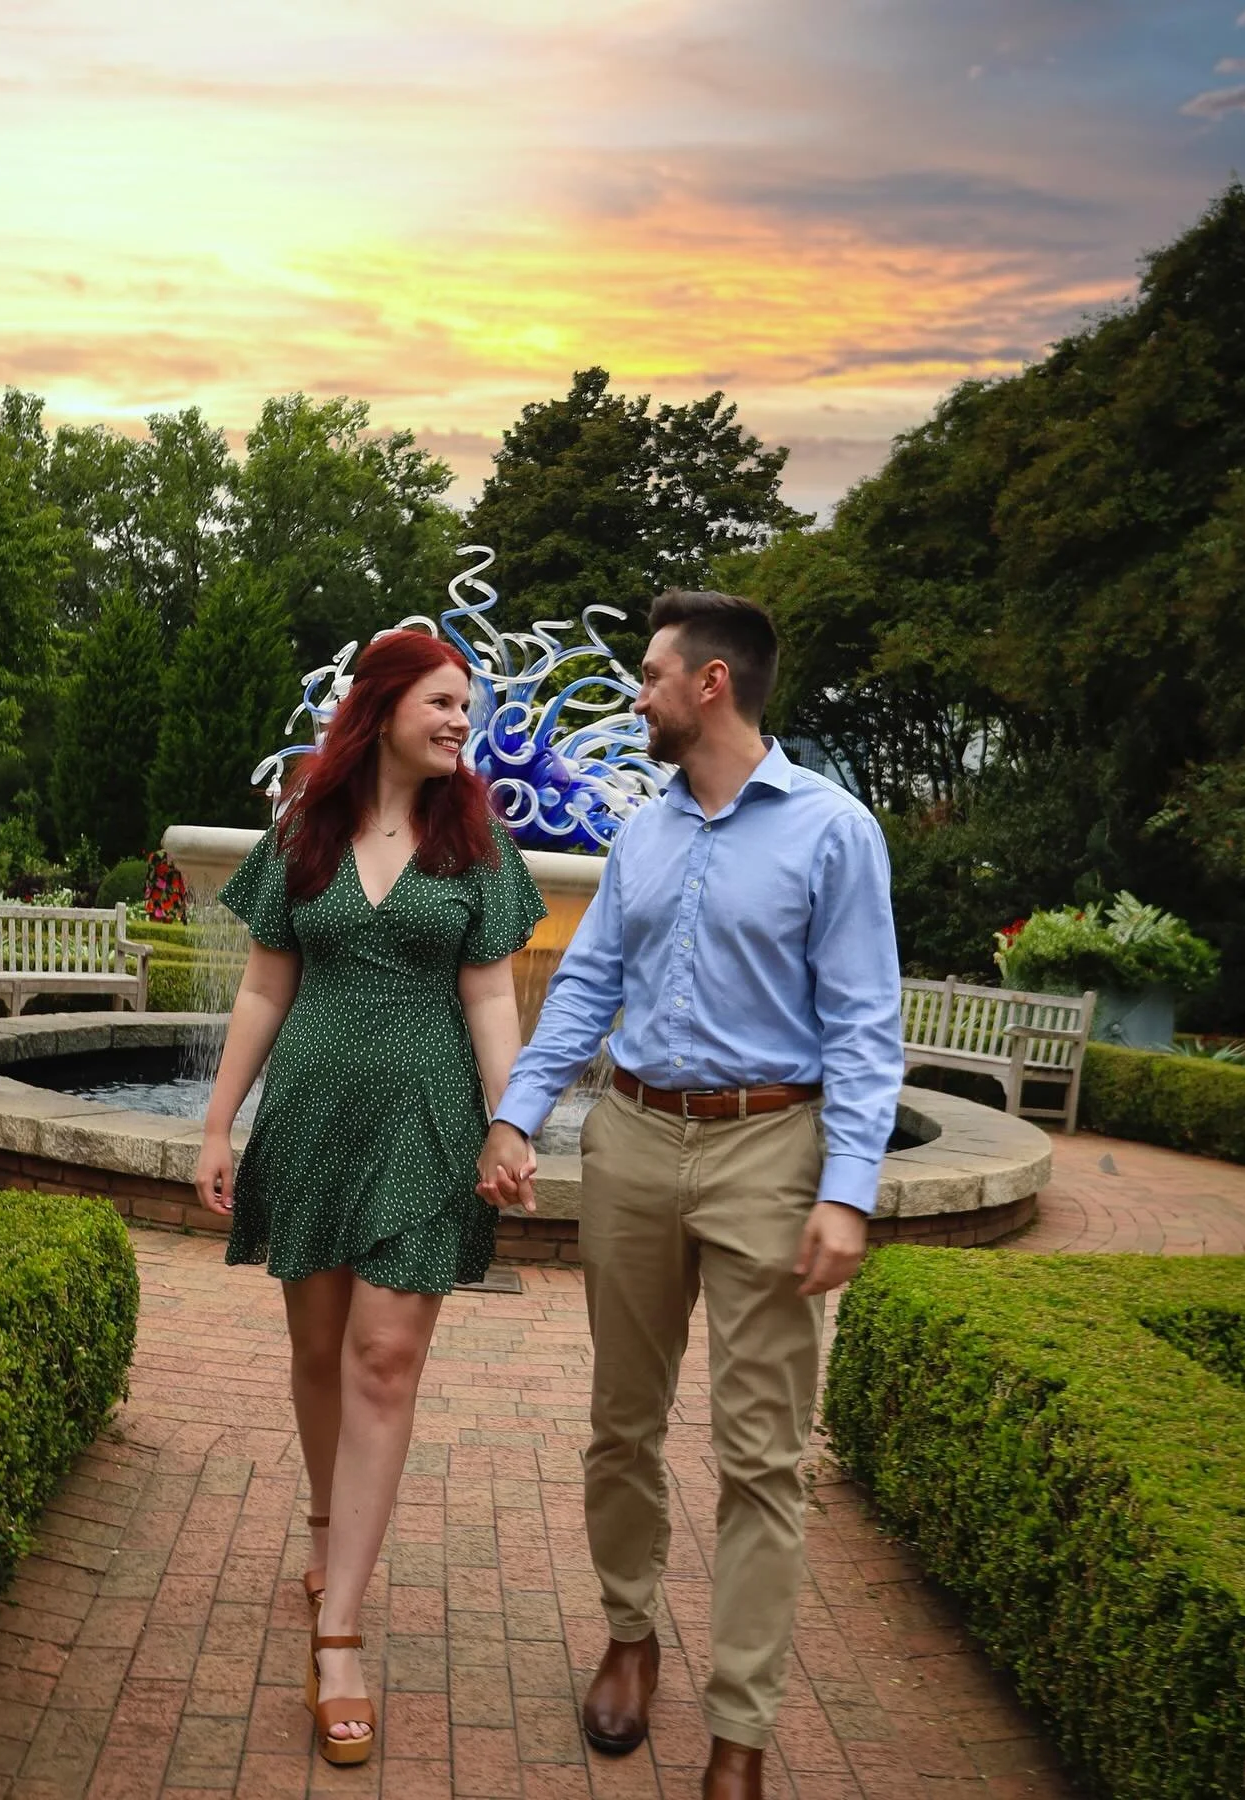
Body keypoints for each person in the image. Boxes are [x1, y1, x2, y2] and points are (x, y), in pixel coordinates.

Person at [478, 590, 904, 1800]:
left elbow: (868, 1029)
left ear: (712, 684)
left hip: (772, 1149)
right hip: (630, 1139)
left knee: (762, 1454)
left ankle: (741, 1727)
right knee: (622, 1420)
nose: (639, 697)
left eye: (654, 677)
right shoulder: (646, 834)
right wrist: (517, 1114)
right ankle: (629, 1634)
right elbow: (587, 984)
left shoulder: (833, 832)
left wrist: (850, 1191)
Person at [195, 630, 545, 1767]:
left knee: (383, 1359)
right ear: (385, 705)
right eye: (445, 702)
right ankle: (327, 1523)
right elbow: (262, 984)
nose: (461, 723)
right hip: (309, 1118)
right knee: (318, 1350)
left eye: (469, 707)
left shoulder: (476, 839)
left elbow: (492, 999)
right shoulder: (306, 826)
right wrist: (214, 1121)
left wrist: (512, 1119)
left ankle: (339, 1632)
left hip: (428, 1123)